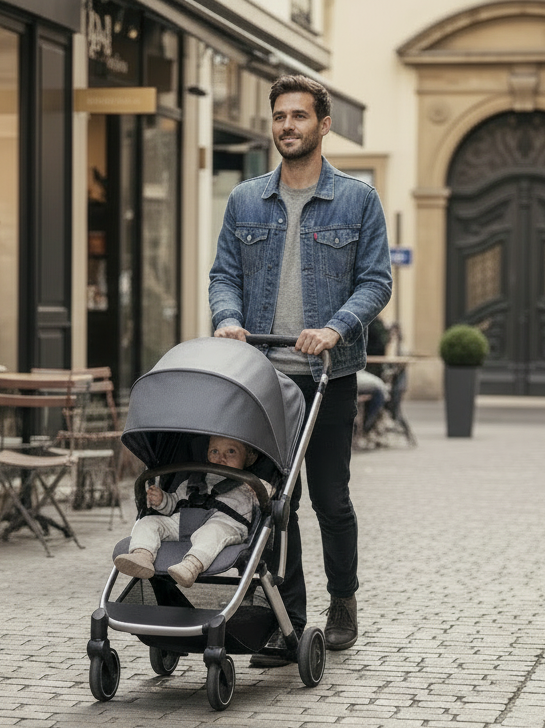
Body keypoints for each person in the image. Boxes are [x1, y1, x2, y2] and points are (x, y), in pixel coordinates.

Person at [209, 74, 392, 665]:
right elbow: (223, 276)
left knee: (329, 500)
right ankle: (285, 621)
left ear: (323, 124)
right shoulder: (244, 200)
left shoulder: (357, 199)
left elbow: (376, 281)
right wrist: (228, 318)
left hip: (327, 377)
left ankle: (343, 601)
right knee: (271, 500)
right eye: (280, 117)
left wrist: (335, 327)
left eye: (299, 117)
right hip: (262, 377)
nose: (287, 126)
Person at [114, 435, 269, 589]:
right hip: (183, 523)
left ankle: (191, 566)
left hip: (225, 525)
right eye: (214, 451)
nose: (221, 457)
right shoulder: (193, 480)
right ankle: (142, 556)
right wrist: (162, 500)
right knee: (148, 522)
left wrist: (261, 491)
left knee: (211, 533)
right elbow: (174, 502)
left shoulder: (250, 483)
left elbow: (268, 498)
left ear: (249, 457)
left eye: (231, 451)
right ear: (207, 454)